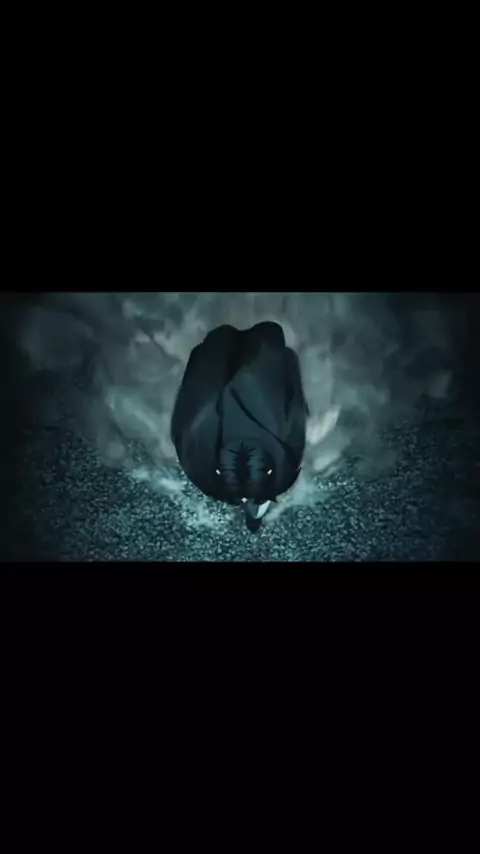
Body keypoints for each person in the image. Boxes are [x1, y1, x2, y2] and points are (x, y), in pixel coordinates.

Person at [171, 321, 308, 531]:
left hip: (246, 383)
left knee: (248, 342)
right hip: (249, 386)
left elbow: (296, 411)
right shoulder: (203, 469)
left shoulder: (202, 467)